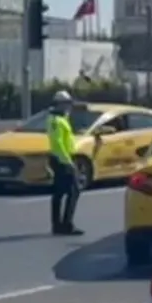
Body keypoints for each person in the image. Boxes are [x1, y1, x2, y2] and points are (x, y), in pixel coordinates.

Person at [46, 90, 83, 236]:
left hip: (61, 158)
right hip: (62, 159)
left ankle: (58, 225)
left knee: (59, 193)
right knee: (73, 191)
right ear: (59, 104)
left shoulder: (60, 118)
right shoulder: (56, 120)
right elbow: (58, 142)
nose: (68, 106)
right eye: (66, 103)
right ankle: (66, 224)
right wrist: (67, 162)